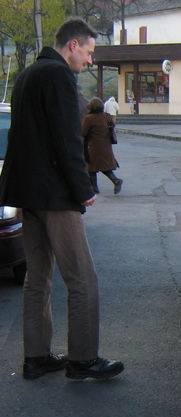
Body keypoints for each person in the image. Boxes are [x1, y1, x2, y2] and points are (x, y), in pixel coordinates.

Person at [0, 18, 124, 380]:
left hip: (26, 193)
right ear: (72, 45)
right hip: (55, 195)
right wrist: (83, 190)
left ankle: (36, 357)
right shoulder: (58, 77)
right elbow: (67, 140)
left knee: (37, 276)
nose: (88, 61)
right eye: (88, 52)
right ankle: (83, 359)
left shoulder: (26, 75)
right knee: (82, 278)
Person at [83, 97, 123, 194]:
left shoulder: (89, 118)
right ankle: (115, 180)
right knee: (104, 166)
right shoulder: (106, 116)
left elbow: (83, 133)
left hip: (93, 146)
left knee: (92, 167)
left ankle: (94, 188)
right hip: (106, 145)